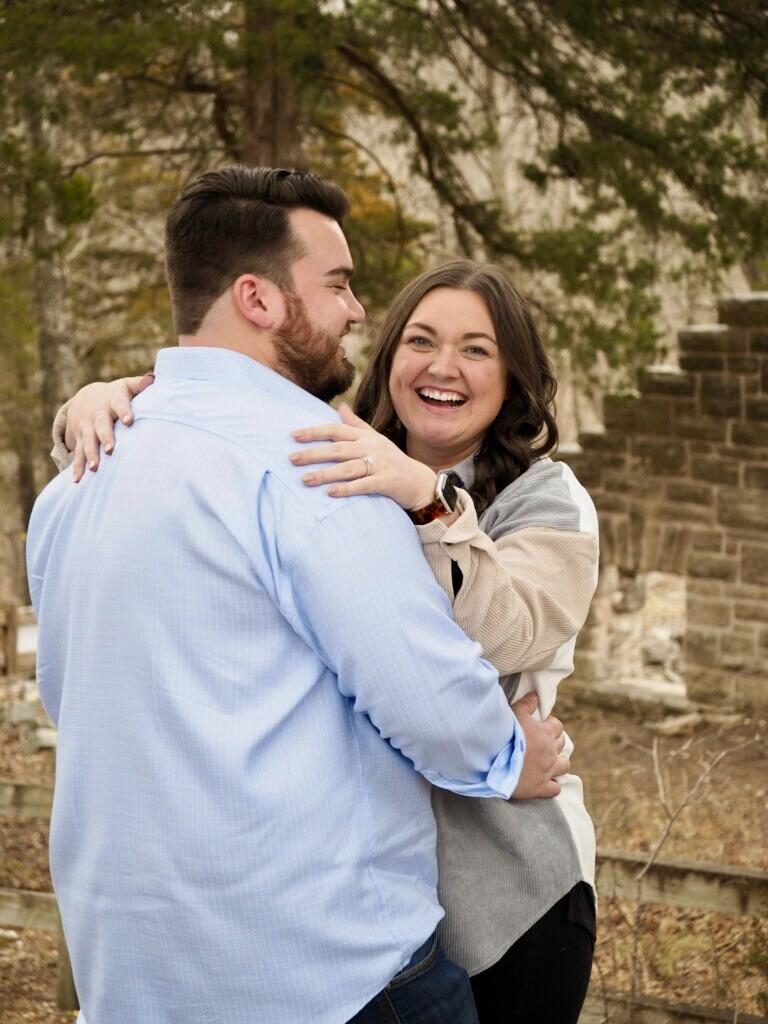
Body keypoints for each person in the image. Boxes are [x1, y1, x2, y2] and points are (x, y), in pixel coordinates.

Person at [28, 167, 570, 1024]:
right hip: (326, 973)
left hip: (132, 975)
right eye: (338, 284)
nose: (358, 310)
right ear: (258, 298)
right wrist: (508, 759)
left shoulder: (79, 475)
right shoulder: (323, 469)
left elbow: (69, 692)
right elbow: (427, 699)